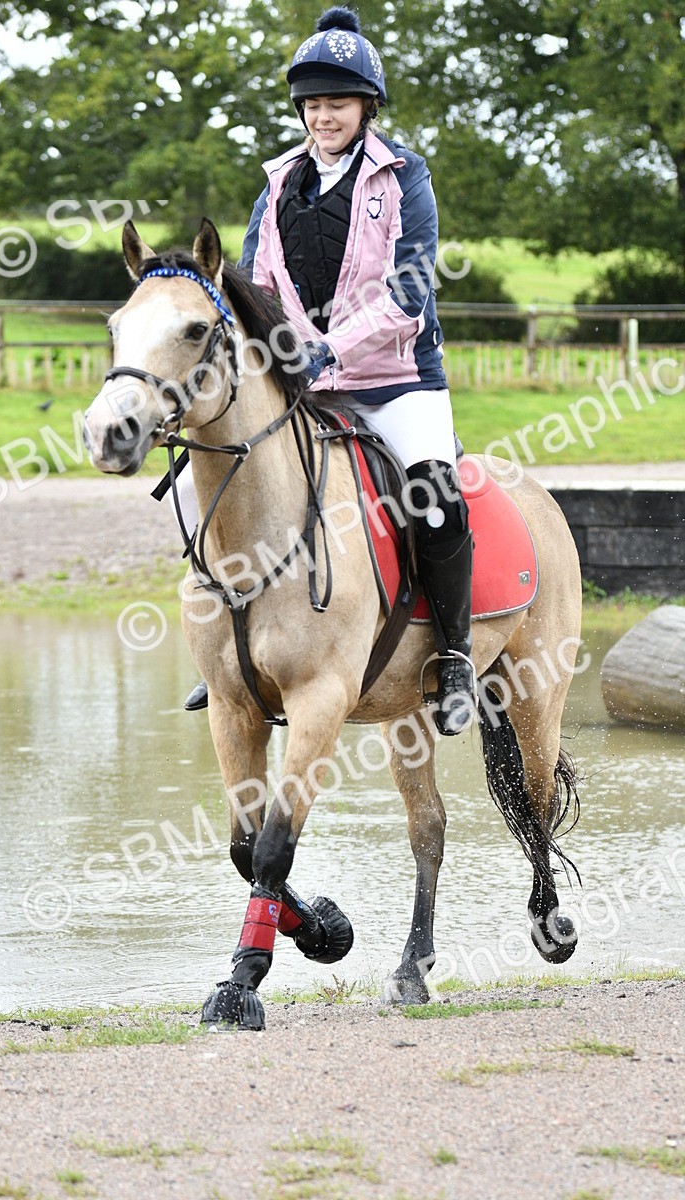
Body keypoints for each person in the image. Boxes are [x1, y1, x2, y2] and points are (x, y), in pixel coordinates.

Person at [183, 5, 475, 736]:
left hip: (396, 378)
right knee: (204, 483)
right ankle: (230, 650)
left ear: (367, 106)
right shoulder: (279, 183)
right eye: (312, 104)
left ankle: (456, 655)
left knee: (436, 495)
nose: (323, 116)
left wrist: (330, 348)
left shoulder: (404, 176)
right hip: (305, 383)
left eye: (338, 103)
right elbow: (253, 285)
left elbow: (410, 290)